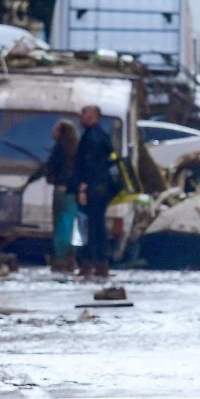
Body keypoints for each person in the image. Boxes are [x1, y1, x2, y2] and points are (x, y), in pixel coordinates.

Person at [70, 105, 123, 277]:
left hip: (94, 189)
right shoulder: (101, 135)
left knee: (92, 228)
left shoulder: (92, 137)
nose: (80, 116)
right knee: (97, 226)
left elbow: (89, 164)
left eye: (84, 113)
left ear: (94, 116)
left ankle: (91, 264)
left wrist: (83, 188)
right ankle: (100, 264)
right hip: (102, 189)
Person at [25, 119, 79, 272]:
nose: (52, 133)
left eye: (55, 130)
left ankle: (60, 259)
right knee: (70, 225)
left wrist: (30, 180)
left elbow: (48, 167)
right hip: (73, 193)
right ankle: (71, 257)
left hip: (61, 191)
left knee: (61, 225)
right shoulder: (76, 149)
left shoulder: (60, 149)